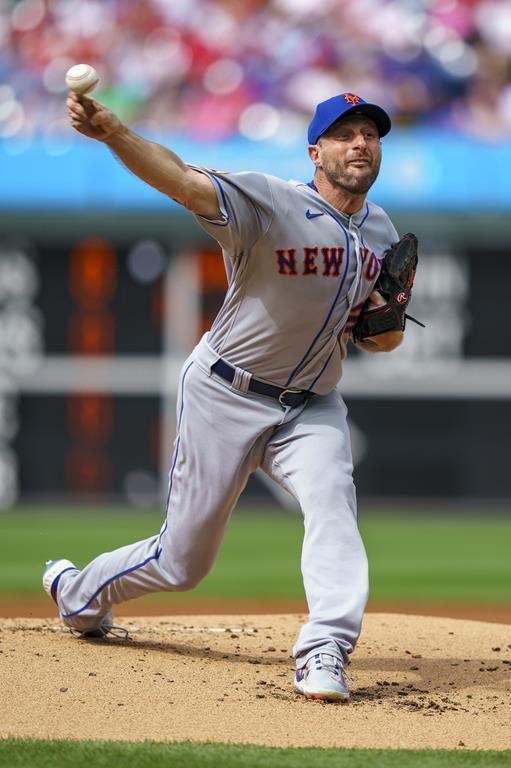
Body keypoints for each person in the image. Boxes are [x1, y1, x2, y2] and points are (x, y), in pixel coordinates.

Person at [43, 90, 404, 703]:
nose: (360, 143)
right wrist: (114, 134)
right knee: (184, 563)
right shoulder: (271, 200)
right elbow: (183, 182)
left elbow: (384, 341)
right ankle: (79, 593)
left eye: (369, 133)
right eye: (344, 134)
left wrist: (386, 318)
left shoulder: (382, 232)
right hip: (226, 391)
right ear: (315, 151)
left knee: (331, 499)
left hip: (310, 404)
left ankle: (325, 648)